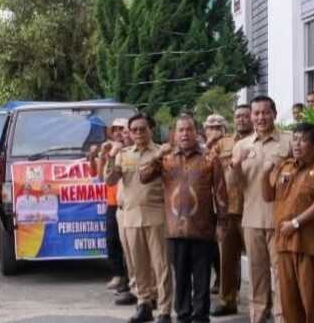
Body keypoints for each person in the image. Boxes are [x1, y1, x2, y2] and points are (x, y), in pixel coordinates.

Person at [140, 113, 227, 323]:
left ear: (196, 133)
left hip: (203, 228)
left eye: (189, 129)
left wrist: (222, 224)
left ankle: (201, 316)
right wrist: (157, 155)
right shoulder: (166, 159)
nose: (185, 134)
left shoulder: (210, 158)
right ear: (174, 134)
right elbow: (143, 177)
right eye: (181, 130)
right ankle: (183, 315)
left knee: (202, 278)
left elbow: (221, 193)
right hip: (175, 229)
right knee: (180, 277)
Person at [262, 122, 314, 323]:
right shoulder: (286, 167)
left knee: (312, 301)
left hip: (308, 245)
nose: (297, 144)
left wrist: (295, 223)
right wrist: (265, 173)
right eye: (295, 139)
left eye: (303, 140)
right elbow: (269, 196)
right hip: (284, 243)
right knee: (289, 301)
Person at [105, 114, 172, 323]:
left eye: (143, 129)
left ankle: (164, 310)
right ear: (130, 133)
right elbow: (110, 181)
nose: (138, 133)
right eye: (134, 130)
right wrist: (110, 158)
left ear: (150, 130)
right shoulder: (124, 155)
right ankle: (144, 304)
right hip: (131, 217)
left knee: (161, 266)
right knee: (138, 266)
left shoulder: (162, 152)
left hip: (156, 215)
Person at [230, 96, 291, 323]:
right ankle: (258, 315)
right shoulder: (242, 146)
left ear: (274, 114)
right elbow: (235, 185)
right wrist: (236, 165)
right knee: (257, 274)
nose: (260, 117)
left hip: (280, 219)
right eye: (256, 113)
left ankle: (282, 316)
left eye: (265, 112)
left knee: (281, 273)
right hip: (252, 218)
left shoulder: (288, 142)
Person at [208, 106, 251, 317]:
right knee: (226, 259)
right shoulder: (223, 143)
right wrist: (209, 142)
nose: (242, 119)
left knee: (258, 261)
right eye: (238, 116)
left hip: (251, 210)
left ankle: (262, 304)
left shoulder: (257, 142)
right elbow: (207, 165)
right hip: (227, 210)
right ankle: (227, 300)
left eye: (245, 115)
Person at [95, 118, 131, 296]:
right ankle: (118, 274)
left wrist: (116, 152)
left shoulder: (129, 151)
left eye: (122, 129)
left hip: (128, 203)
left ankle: (129, 280)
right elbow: (101, 178)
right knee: (112, 240)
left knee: (129, 245)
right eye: (115, 129)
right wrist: (104, 155)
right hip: (112, 203)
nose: (118, 132)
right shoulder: (111, 150)